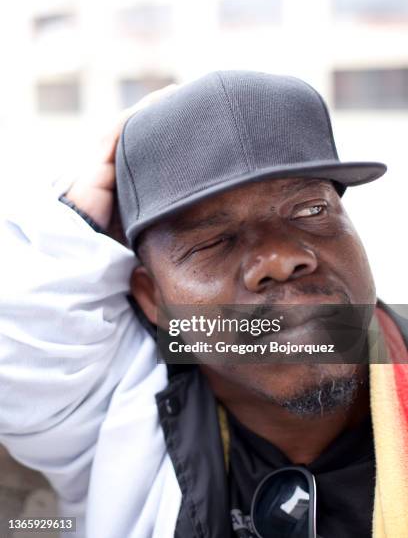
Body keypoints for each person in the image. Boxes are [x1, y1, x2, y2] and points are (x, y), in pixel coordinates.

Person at [1, 71, 407, 538]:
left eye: (310, 210)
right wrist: (72, 226)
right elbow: (15, 357)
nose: (280, 258)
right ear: (155, 299)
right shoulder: (119, 423)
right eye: (213, 241)